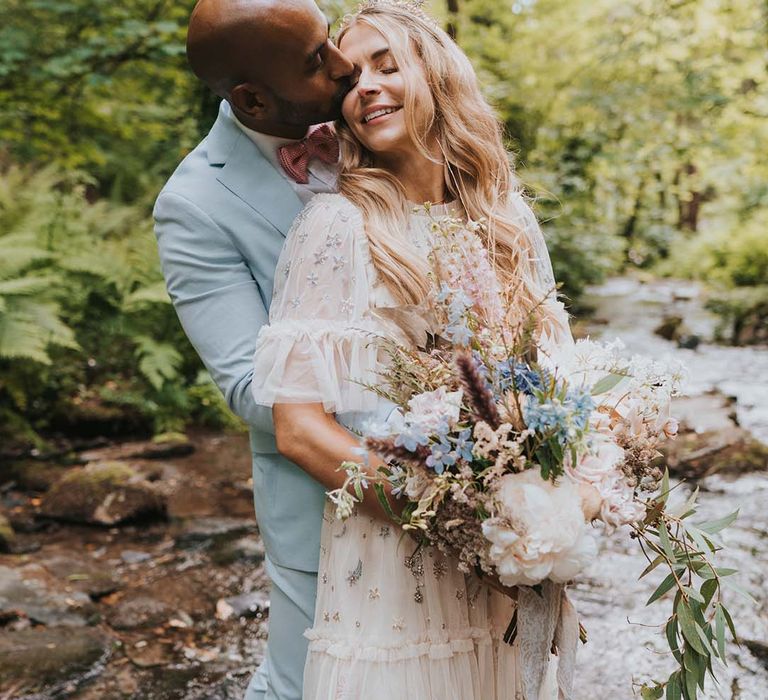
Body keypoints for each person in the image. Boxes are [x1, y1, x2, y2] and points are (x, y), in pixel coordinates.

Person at [250, 2, 582, 698]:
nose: (364, 85)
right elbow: (300, 430)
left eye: (386, 64)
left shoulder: (506, 219)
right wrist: (457, 524)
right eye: (349, 79)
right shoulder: (336, 227)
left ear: (436, 74)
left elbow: (558, 392)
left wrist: (556, 516)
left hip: (505, 565)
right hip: (396, 562)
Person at [152, 1, 355, 698]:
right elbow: (248, 385)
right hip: (321, 495)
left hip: (454, 468)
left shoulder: (378, 117)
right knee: (306, 686)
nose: (345, 65)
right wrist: (411, 432)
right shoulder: (194, 204)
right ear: (252, 100)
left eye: (329, 42)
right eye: (316, 61)